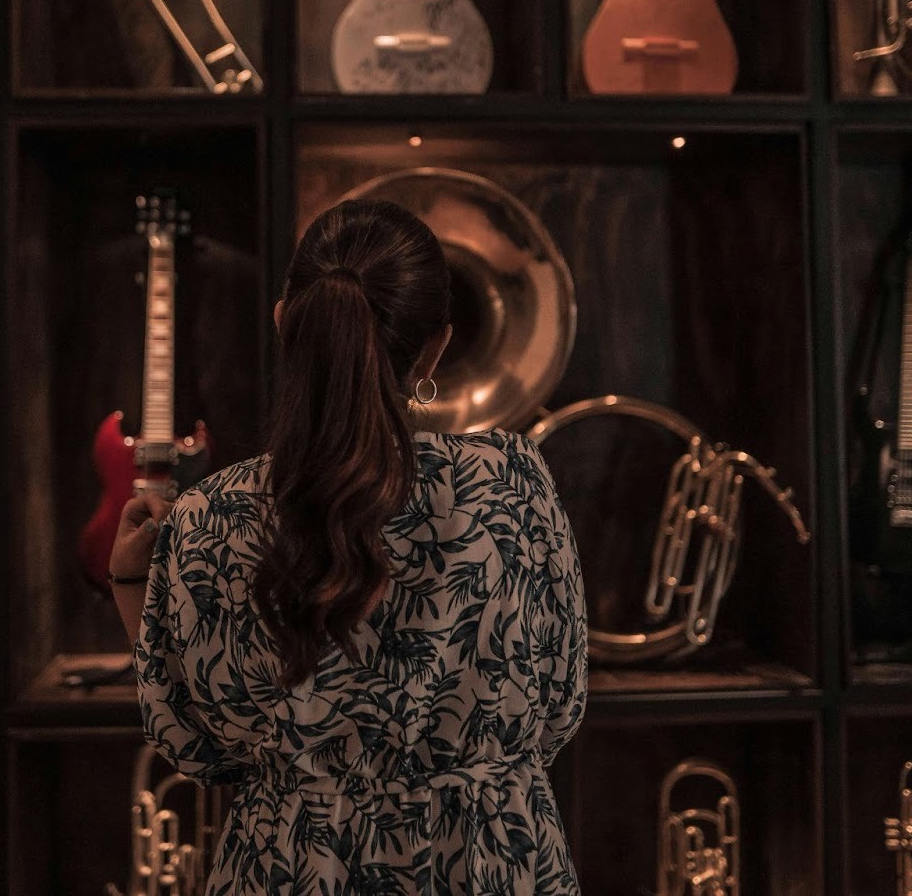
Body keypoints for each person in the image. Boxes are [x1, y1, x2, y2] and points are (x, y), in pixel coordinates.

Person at [108, 198, 587, 894]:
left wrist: (131, 584)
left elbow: (192, 742)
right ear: (436, 347)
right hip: (489, 865)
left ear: (285, 325)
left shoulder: (207, 513)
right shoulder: (515, 482)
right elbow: (560, 707)